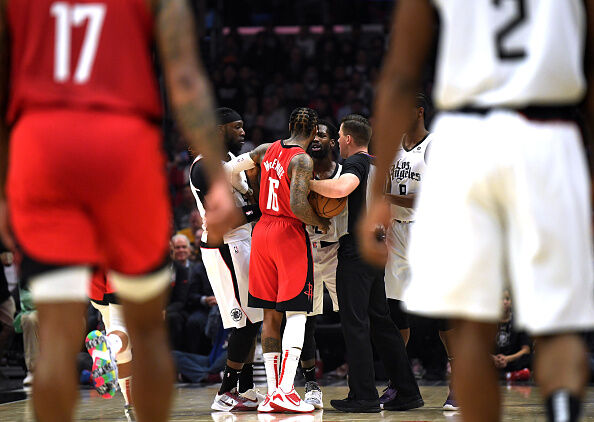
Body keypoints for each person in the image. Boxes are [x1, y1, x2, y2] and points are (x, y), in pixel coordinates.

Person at [0, 1, 237, 421]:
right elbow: (184, 75)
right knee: (146, 333)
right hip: (121, 141)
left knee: (56, 337)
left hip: (42, 143)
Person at [363, 1, 594, 421]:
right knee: (558, 325)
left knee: (470, 326)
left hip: (467, 140)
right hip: (550, 134)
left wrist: (377, 198)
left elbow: (398, 76)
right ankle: (563, 411)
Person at [310, 114, 423, 413]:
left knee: (356, 324)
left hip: (357, 250)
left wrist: (306, 183)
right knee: (381, 323)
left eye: (339, 138)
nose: (336, 143)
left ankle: (364, 396)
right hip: (377, 246)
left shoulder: (356, 163)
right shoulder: (378, 163)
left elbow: (340, 189)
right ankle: (408, 392)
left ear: (347, 139)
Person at [225, 107, 329, 413]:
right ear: (312, 133)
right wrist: (320, 223)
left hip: (262, 231)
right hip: (288, 234)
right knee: (297, 314)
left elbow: (231, 169)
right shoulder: (302, 158)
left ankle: (273, 394)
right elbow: (298, 205)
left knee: (270, 316)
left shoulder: (265, 149)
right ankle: (286, 390)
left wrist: (249, 190)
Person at [382, 93, 458, 411]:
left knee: (445, 319)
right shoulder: (391, 147)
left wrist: (385, 197)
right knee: (396, 315)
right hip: (395, 235)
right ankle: (398, 384)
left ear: (419, 111)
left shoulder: (436, 145)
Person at [191, 108, 265, 412]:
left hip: (241, 242)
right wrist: (261, 210)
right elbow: (223, 219)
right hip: (225, 246)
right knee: (245, 323)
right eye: (237, 127)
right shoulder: (204, 166)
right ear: (219, 129)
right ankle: (224, 392)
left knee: (253, 319)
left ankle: (245, 390)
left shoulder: (222, 163)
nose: (243, 133)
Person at [300, 119, 345, 410]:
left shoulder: (345, 173)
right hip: (305, 251)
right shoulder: (298, 172)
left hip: (339, 252)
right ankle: (310, 384)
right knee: (305, 320)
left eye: (323, 134)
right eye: (312, 135)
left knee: (356, 317)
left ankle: (361, 378)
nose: (316, 138)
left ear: (333, 142)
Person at [87, 271, 135, 421]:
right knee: (122, 333)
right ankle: (110, 345)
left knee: (121, 342)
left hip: (95, 280)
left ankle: (130, 402)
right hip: (120, 267)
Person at [493, 289, 532, 381]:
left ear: (511, 302)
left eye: (507, 299)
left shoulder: (520, 321)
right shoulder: (489, 320)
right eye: (502, 299)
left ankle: (506, 375)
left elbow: (526, 350)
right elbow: (480, 347)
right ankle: (510, 376)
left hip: (512, 362)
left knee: (530, 358)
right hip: (492, 362)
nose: (505, 302)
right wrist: (493, 358)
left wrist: (507, 359)